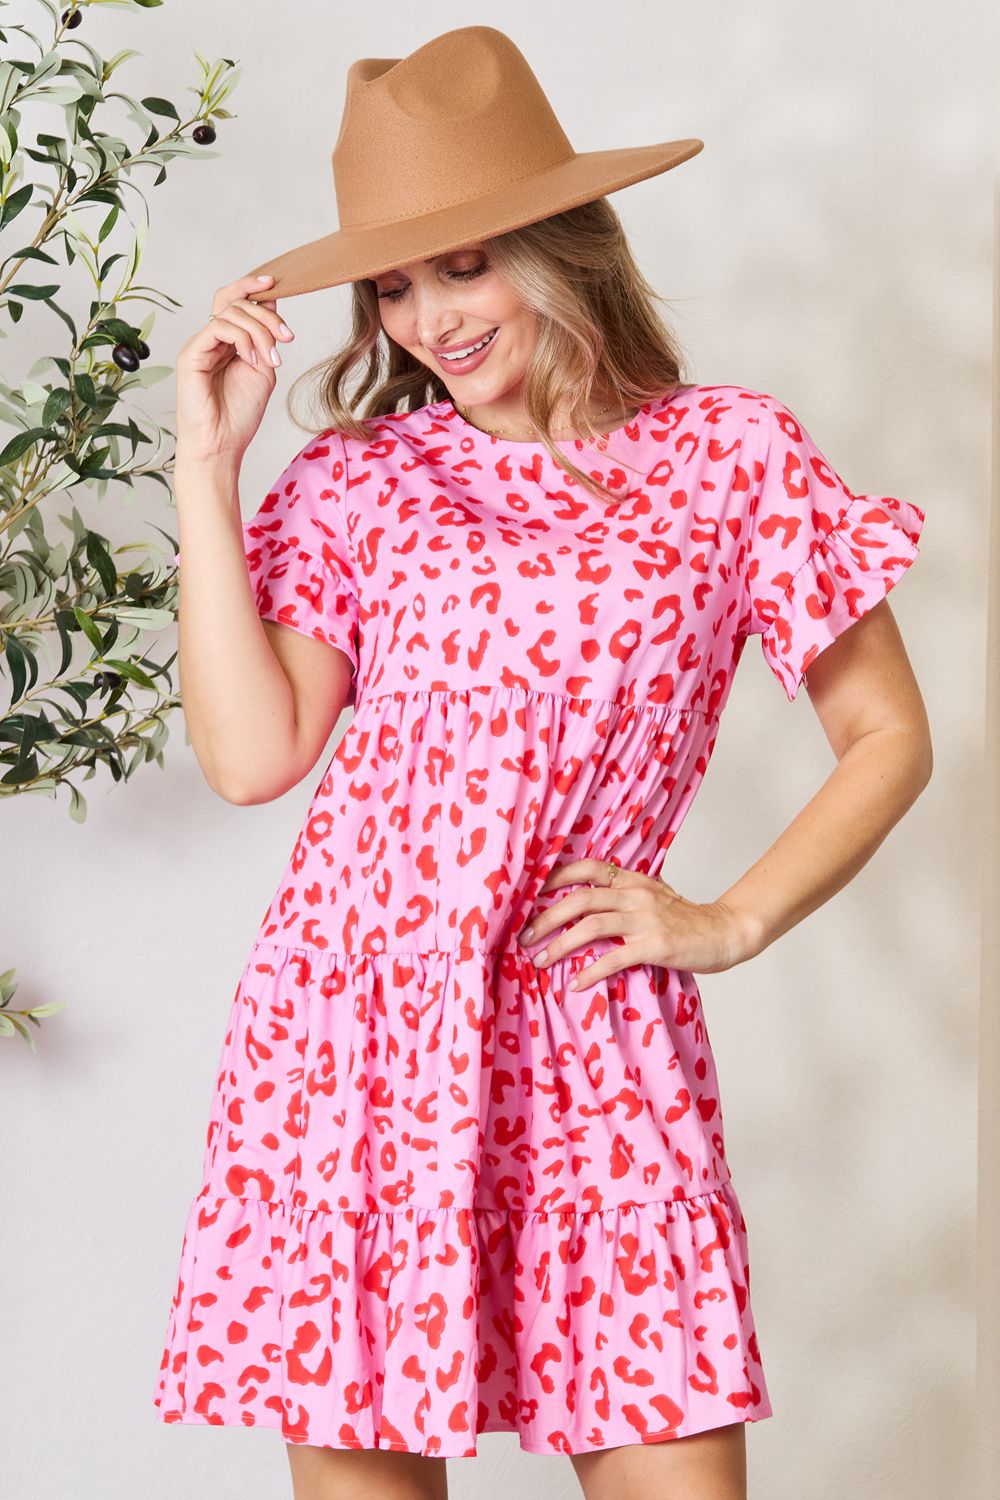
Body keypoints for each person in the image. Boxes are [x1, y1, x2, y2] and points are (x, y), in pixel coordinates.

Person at [153, 25, 932, 1500]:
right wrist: (205, 467)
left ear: (565, 244)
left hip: (593, 1041)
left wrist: (728, 918)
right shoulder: (362, 478)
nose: (431, 318)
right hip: (360, 1038)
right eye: (393, 283)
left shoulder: (731, 459)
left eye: (466, 263)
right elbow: (256, 758)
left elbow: (889, 736)